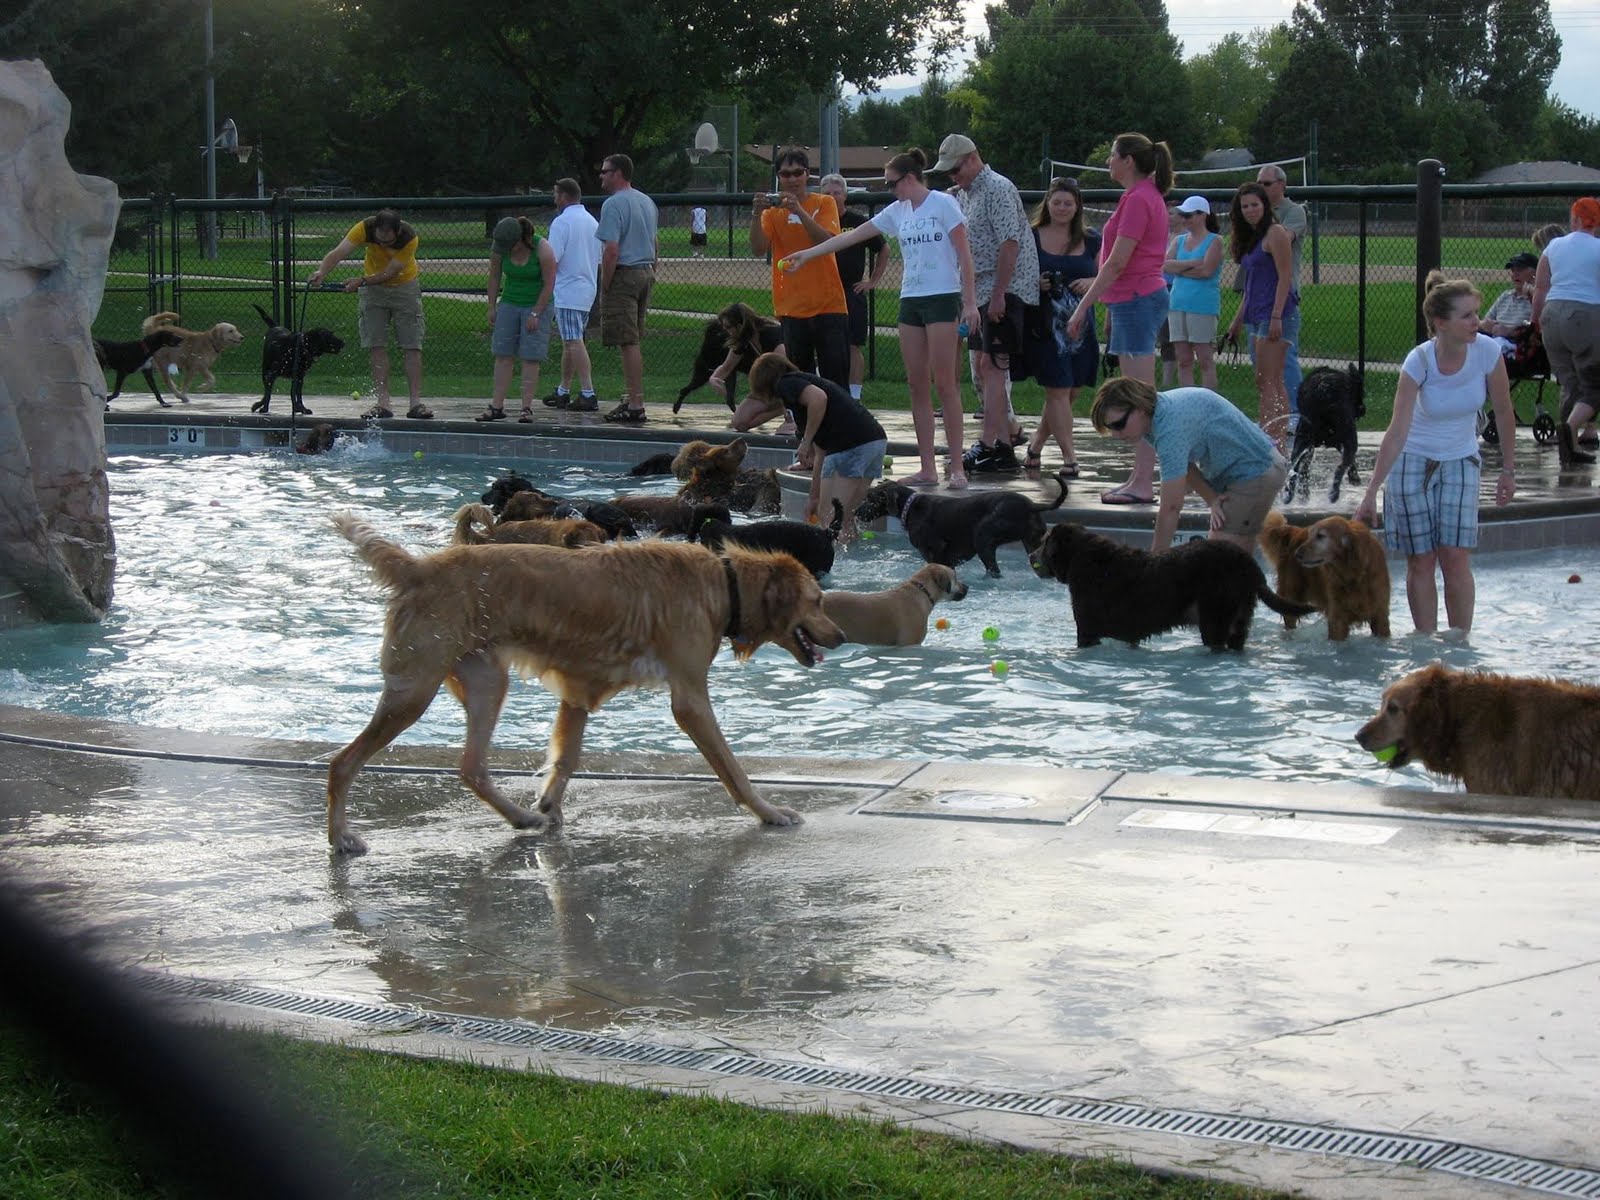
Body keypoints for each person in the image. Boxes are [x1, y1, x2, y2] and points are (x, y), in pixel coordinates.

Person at [785, 148, 979, 489]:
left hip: (942, 296)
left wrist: (970, 303)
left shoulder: (943, 204)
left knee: (945, 384)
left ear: (909, 179)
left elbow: (964, 253)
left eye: (892, 183)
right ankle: (928, 467)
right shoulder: (897, 211)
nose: (890, 190)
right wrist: (808, 254)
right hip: (911, 299)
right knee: (917, 384)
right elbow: (849, 237)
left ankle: (958, 467)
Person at [1355, 272, 1517, 635]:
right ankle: (1426, 646)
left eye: (1476, 313)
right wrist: (1370, 493)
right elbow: (1396, 432)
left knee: (1456, 557)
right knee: (1422, 560)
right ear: (1440, 323)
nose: (1477, 322)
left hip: (1461, 459)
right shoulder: (1419, 362)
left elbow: (1504, 411)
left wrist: (1509, 470)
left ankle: (1460, 646)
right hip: (1412, 461)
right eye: (1467, 316)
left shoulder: (1488, 353)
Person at [1066, 132, 1175, 505]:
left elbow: (1116, 263)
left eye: (1112, 156)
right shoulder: (1139, 196)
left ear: (1128, 160)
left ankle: (1145, 483)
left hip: (1137, 298)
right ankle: (1138, 477)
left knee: (1140, 399)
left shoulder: (1140, 199)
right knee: (1137, 396)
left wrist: (1083, 308)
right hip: (1132, 300)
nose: (1108, 162)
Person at [937, 133, 1040, 475]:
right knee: (983, 366)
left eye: (955, 169)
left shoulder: (996, 187)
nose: (953, 176)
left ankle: (990, 444)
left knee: (993, 366)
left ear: (971, 159)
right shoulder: (965, 193)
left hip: (1003, 289)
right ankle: (1003, 447)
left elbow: (1010, 243)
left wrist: (999, 295)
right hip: (980, 290)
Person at [1090, 376, 1288, 553]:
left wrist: (1153, 566)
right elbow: (1183, 465)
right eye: (1110, 428)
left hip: (1256, 471)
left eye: (1119, 424)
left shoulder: (1168, 429)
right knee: (1230, 571)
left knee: (1218, 566)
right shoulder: (1155, 417)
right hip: (1254, 469)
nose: (1116, 435)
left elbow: (1171, 507)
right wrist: (1212, 498)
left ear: (1139, 408)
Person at [731, 351, 888, 541]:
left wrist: (805, 442)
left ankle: (836, 566)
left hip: (851, 446)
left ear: (763, 383)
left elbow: (818, 398)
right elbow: (820, 453)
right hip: (874, 442)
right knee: (844, 517)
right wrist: (813, 497)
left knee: (830, 518)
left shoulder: (786, 382)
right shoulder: (803, 393)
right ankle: (853, 559)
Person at [308, 208, 432, 419]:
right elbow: (339, 252)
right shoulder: (364, 228)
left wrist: (361, 282)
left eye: (388, 241)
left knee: (412, 345)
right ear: (375, 230)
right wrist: (322, 271)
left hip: (405, 287)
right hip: (373, 293)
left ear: (397, 231)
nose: (383, 245)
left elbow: (391, 272)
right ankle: (383, 403)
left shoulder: (409, 237)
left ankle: (415, 403)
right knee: (376, 344)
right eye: (379, 240)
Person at [750, 147, 851, 390]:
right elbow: (758, 248)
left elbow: (827, 242)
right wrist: (756, 214)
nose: (792, 179)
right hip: (792, 306)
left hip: (829, 303)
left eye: (798, 173)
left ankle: (840, 427)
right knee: (801, 381)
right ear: (778, 177)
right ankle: (804, 426)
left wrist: (799, 210)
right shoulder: (773, 213)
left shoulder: (824, 202)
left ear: (808, 175)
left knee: (835, 379)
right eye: (786, 174)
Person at [1023, 176, 1101, 481]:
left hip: (1081, 327)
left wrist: (1093, 282)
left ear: (1077, 206)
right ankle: (1070, 458)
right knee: (1057, 389)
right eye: (1057, 202)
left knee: (1070, 392)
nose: (1062, 208)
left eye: (1069, 203)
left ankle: (1036, 445)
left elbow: (1110, 273)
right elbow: (1017, 275)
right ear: (1048, 203)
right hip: (1046, 327)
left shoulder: (1092, 239)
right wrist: (1036, 283)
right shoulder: (1032, 236)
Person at [1224, 181, 1297, 448]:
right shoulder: (1252, 237)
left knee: (1270, 379)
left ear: (1265, 205)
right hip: (1256, 313)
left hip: (1275, 314)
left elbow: (1285, 276)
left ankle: (1273, 439)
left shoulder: (1275, 233)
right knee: (1263, 379)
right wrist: (1237, 319)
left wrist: (1277, 316)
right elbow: (1252, 284)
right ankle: (1273, 433)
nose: (1250, 210)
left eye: (1255, 204)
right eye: (1245, 206)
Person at [1533, 197, 1600, 467]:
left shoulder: (1553, 246)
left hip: (1551, 315)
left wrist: (1535, 322)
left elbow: (1540, 288)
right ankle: (1570, 428)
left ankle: (1569, 448)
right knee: (1594, 386)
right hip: (1584, 316)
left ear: (1574, 220)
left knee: (1569, 383)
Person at [595, 153, 659, 423]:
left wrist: (605, 285)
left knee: (628, 342)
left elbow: (611, 250)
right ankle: (633, 397)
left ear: (618, 173)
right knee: (632, 340)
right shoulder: (647, 201)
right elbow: (655, 244)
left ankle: (635, 404)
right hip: (645, 271)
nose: (601, 175)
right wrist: (653, 272)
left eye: (605, 171)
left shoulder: (613, 204)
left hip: (624, 273)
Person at [478, 216, 556, 422]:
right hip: (510, 302)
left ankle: (526, 408)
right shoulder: (500, 249)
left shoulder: (542, 248)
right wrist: (492, 306)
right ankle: (496, 406)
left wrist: (535, 314)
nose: (505, 250)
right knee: (503, 353)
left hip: (537, 302)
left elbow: (549, 284)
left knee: (530, 356)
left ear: (521, 240)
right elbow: (494, 277)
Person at [819, 173, 888, 401]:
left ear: (845, 195)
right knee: (823, 344)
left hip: (851, 291)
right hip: (823, 292)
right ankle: (825, 392)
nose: (831, 197)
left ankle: (854, 397)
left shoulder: (857, 222)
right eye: (827, 193)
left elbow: (883, 249)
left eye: (836, 192)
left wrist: (872, 281)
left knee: (852, 345)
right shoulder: (815, 222)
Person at [542, 176, 602, 411]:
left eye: (556, 194)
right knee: (571, 342)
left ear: (564, 196)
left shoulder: (561, 222)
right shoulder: (592, 222)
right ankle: (563, 390)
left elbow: (551, 258)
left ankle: (588, 392)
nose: (554, 199)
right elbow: (597, 259)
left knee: (574, 342)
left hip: (568, 290)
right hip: (587, 289)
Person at [1256, 164, 1306, 425]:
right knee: (1262, 368)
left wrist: (1266, 223)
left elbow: (1282, 239)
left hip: (1282, 298)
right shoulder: (1256, 212)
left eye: (1267, 184)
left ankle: (1297, 414)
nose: (1262, 189)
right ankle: (1272, 417)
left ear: (1281, 185)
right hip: (1257, 298)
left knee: (1284, 361)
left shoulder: (1293, 212)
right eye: (1259, 184)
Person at [1163, 195, 1223, 390]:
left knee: (1205, 359)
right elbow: (1165, 265)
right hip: (1177, 304)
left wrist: (1179, 268)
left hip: (1202, 306)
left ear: (1202, 215)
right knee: (1184, 360)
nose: (1185, 219)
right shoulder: (1179, 241)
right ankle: (1187, 401)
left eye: (1189, 215)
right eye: (1184, 215)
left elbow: (1206, 271)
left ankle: (1209, 403)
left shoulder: (1215, 241)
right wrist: (1191, 263)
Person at [706, 301, 784, 404]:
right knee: (739, 420)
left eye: (729, 327)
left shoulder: (771, 333)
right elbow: (727, 367)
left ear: (740, 325)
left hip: (789, 383)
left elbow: (783, 367)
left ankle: (789, 413)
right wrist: (714, 378)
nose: (726, 332)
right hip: (770, 387)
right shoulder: (743, 340)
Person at [1481, 251, 1538, 357]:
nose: (1515, 274)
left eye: (1520, 270)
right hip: (1496, 341)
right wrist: (1489, 326)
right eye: (1513, 270)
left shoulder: (1536, 299)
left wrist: (1508, 331)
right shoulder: (1505, 296)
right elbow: (1485, 322)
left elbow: (1535, 330)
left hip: (1519, 348)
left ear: (1534, 273)